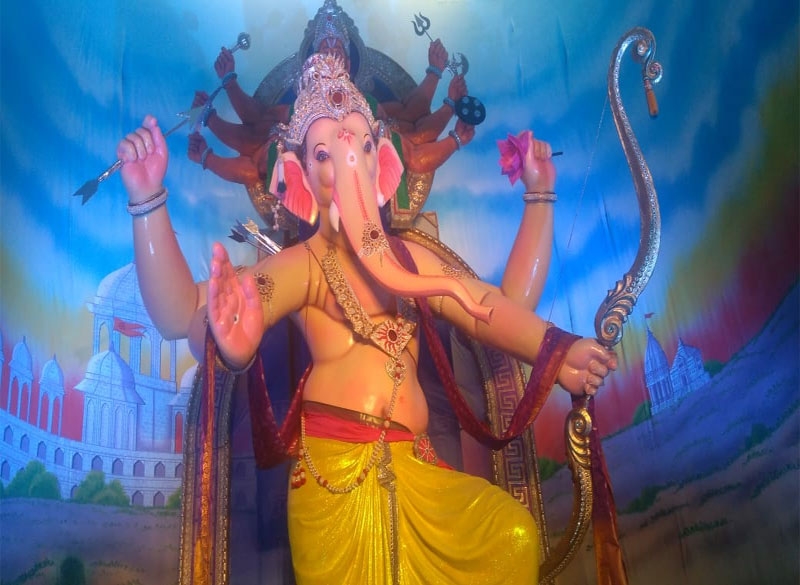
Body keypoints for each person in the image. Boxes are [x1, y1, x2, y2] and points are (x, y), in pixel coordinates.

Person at [118, 53, 615, 584]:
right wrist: (151, 207)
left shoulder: (411, 259)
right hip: (337, 479)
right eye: (324, 153)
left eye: (361, 144)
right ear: (299, 178)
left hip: (416, 467)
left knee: (512, 536)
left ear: (385, 167)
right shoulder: (304, 264)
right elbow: (183, 315)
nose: (347, 163)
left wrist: (557, 343)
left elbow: (497, 305)